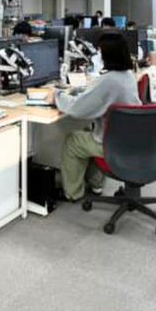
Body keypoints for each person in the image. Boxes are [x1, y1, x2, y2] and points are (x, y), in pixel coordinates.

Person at [51, 33, 141, 201]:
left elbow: (77, 108)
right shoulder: (127, 75)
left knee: (73, 141)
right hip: (132, 139)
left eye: (100, 51)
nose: (98, 55)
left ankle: (73, 193)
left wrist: (57, 95)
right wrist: (83, 92)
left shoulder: (109, 80)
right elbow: (100, 95)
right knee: (88, 129)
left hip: (113, 144)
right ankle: (96, 184)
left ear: (107, 55)